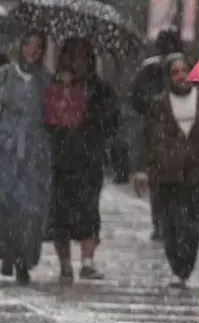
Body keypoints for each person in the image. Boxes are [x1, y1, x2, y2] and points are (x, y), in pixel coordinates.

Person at [133, 54, 199, 288]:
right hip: (166, 174)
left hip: (197, 172)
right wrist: (142, 169)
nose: (181, 76)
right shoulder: (159, 104)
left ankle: (185, 268)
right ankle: (176, 266)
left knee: (192, 224)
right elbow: (148, 138)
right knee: (170, 224)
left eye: (185, 70)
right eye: (175, 72)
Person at [46, 37, 120, 283]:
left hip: (89, 159)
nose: (77, 61)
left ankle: (87, 261)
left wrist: (90, 110)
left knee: (88, 210)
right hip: (60, 158)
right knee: (60, 213)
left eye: (82, 55)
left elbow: (111, 122)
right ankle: (65, 263)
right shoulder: (54, 85)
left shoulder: (101, 89)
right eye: (72, 55)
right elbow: (46, 119)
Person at [0, 31, 52, 285]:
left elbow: (52, 115)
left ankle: (24, 258)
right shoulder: (5, 76)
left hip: (35, 152)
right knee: (6, 205)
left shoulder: (46, 81)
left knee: (30, 210)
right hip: (6, 149)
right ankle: (7, 252)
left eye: (37, 46)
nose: (31, 50)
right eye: (27, 44)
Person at [130, 28, 184, 241]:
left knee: (158, 181)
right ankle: (172, 221)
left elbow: (135, 97)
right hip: (179, 128)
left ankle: (160, 223)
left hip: (156, 130)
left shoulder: (148, 67)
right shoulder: (184, 65)